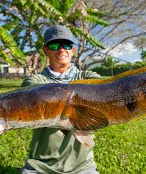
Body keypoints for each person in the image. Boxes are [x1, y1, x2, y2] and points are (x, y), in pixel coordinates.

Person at [21, 25, 101, 174]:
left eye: (67, 44)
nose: (61, 49)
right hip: (40, 165)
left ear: (73, 50)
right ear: (45, 50)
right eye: (54, 44)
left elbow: (107, 91)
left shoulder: (88, 77)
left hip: (83, 166)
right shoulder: (34, 82)